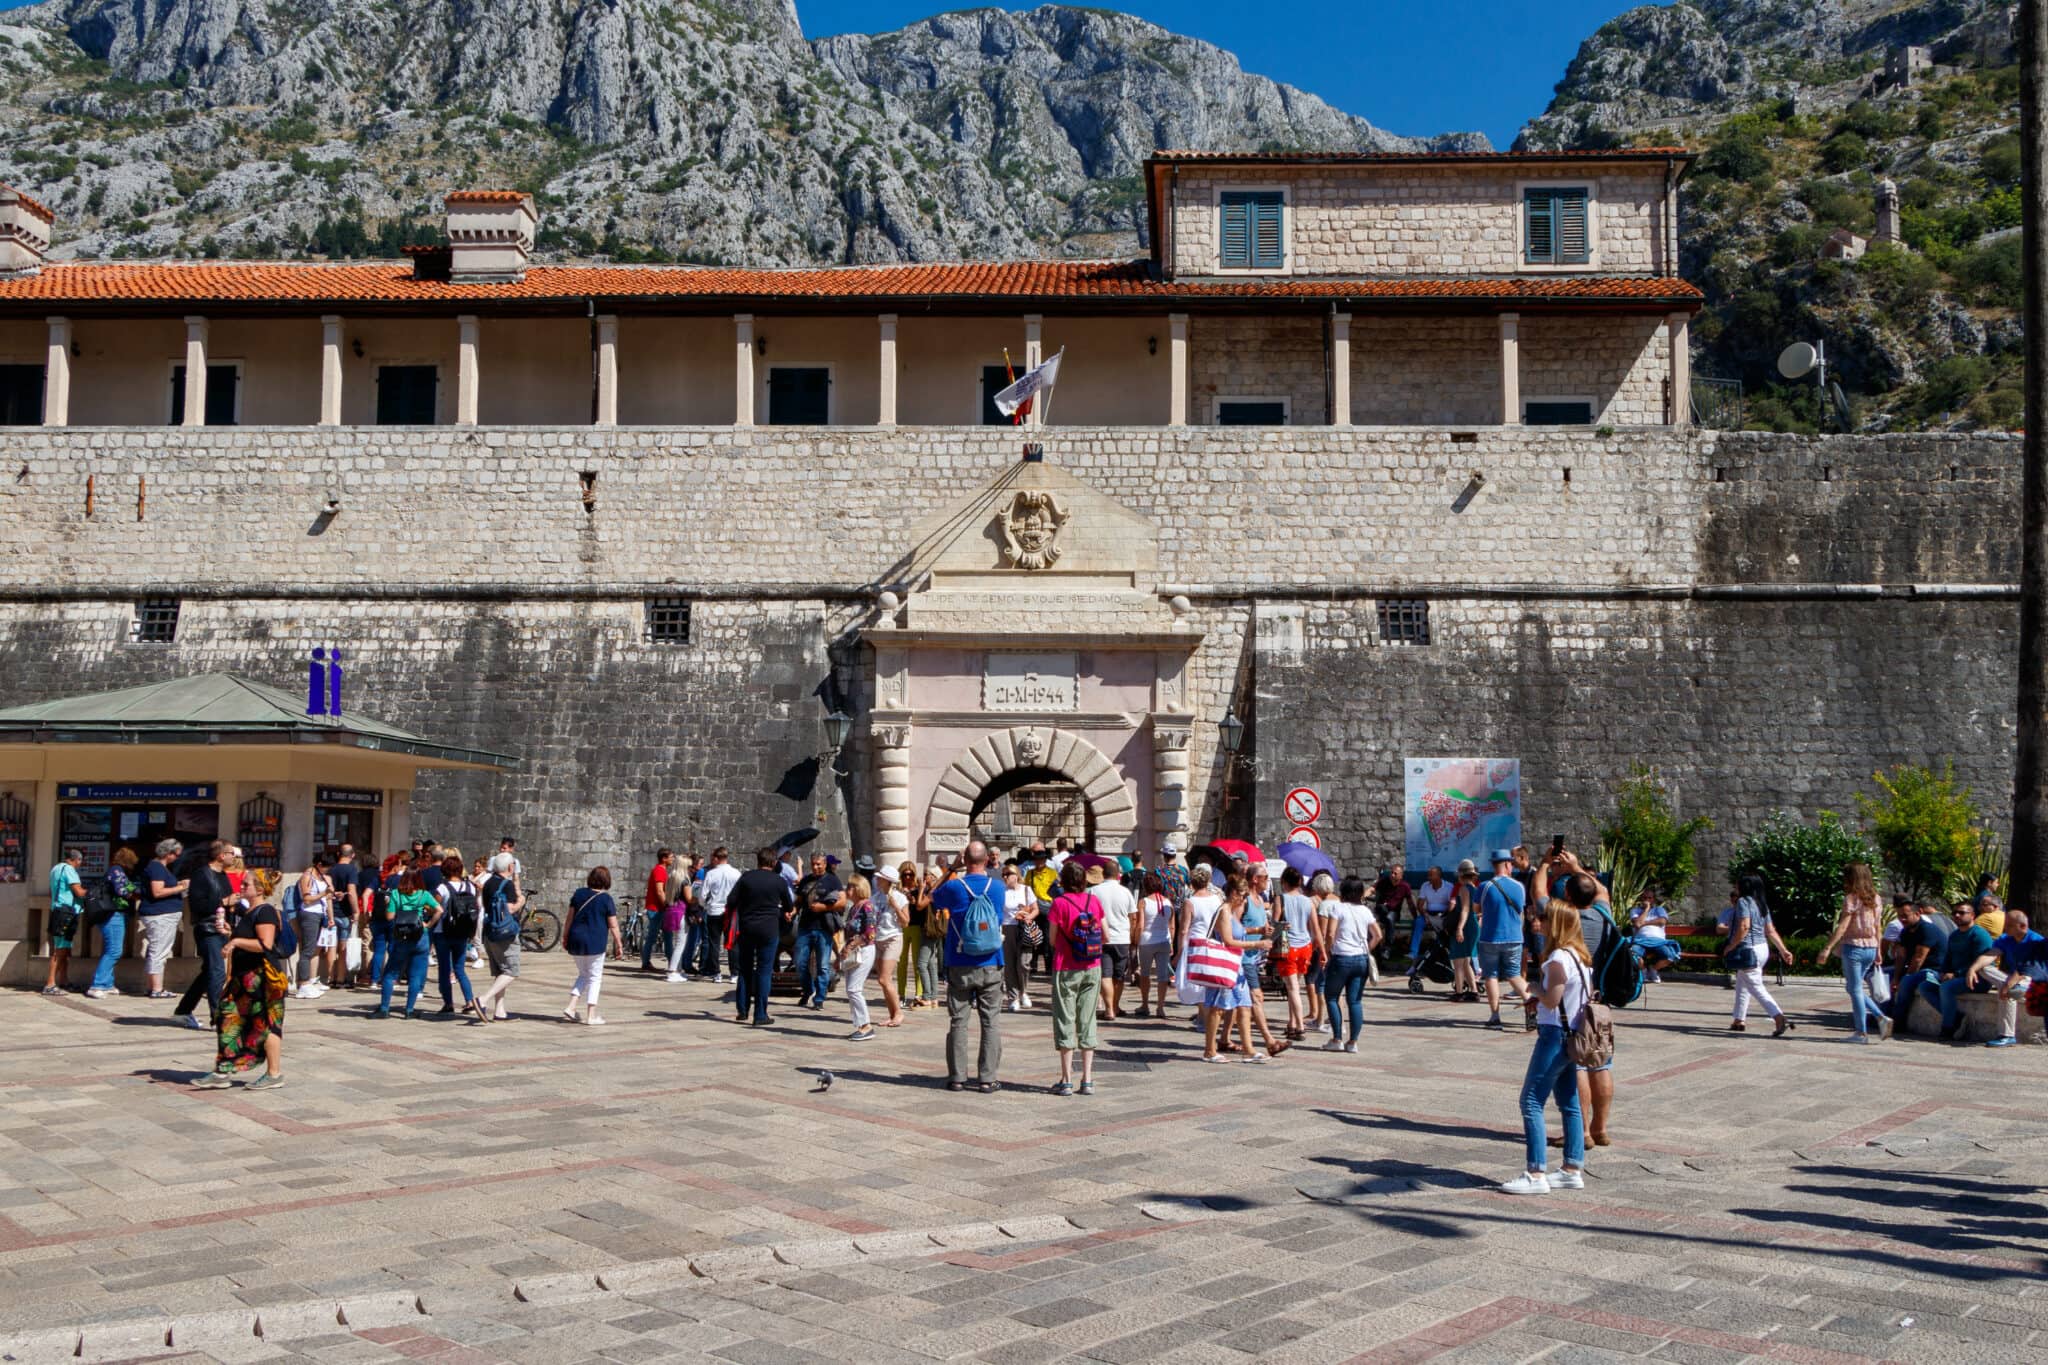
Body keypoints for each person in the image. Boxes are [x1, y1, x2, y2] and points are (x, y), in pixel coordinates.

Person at [1500, 899, 1593, 1196]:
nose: (1538, 922)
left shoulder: (1557, 959)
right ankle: (1571, 1167)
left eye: (1544, 918)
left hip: (1554, 1034)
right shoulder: (1581, 958)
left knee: (1530, 1100)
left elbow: (1552, 999)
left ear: (1558, 924)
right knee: (1569, 1102)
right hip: (1574, 1034)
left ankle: (1535, 1172)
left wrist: (1531, 989)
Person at [190, 868, 291, 1091]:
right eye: (242, 884)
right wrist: (231, 932)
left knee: (269, 1024)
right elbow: (249, 938)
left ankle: (274, 1074)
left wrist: (235, 942)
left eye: (246, 885)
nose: (241, 888)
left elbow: (264, 944)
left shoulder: (264, 911)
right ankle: (222, 1071)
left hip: (263, 978)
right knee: (228, 1018)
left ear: (260, 889)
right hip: (243, 979)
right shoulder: (250, 911)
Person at [937, 840, 1004, 1092]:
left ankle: (957, 1077)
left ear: (965, 860)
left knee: (958, 1021)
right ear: (987, 860)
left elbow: (931, 896)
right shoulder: (997, 887)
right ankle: (987, 1079)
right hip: (991, 962)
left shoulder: (954, 887)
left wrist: (951, 868)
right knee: (991, 1022)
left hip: (959, 961)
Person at [1198, 875, 1271, 1063]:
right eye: (1241, 894)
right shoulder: (1223, 911)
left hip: (1235, 968)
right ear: (1232, 893)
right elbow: (1229, 941)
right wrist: (1258, 944)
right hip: (1224, 967)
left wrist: (1257, 931)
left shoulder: (1231, 911)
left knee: (1245, 1006)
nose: (1243, 899)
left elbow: (1238, 931)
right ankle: (1209, 1050)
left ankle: (1248, 1049)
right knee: (1218, 1008)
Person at [1046, 861, 1104, 1094]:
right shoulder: (1094, 901)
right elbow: (1105, 934)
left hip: (1066, 966)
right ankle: (1088, 1079)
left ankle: (1066, 1078)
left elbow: (1051, 939)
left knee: (1065, 1018)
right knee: (1088, 1019)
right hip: (1092, 965)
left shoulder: (1059, 903)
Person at [1819, 862, 1889, 1042]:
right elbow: (1878, 927)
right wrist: (1879, 950)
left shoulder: (1851, 899)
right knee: (1853, 987)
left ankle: (1862, 1031)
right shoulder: (1876, 898)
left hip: (1854, 947)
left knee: (1855, 988)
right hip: (1871, 947)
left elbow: (1843, 926)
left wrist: (1827, 948)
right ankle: (1880, 1018)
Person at [1719, 873, 1793, 1037]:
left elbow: (1744, 926)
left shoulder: (1743, 902)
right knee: (1742, 983)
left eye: (1738, 885)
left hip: (1748, 949)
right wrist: (1783, 950)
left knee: (1755, 986)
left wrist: (1731, 946)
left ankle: (1778, 1017)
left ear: (1745, 887)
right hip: (1762, 948)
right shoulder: (1761, 904)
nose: (1735, 888)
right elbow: (1770, 930)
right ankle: (1739, 1019)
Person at [1916, 899, 2000, 1041]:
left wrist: (1956, 974)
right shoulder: (1954, 935)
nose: (1957, 916)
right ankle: (1957, 1018)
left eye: (1962, 913)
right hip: (1956, 977)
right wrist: (1943, 972)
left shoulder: (1979, 935)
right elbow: (1948, 958)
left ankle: (1948, 1028)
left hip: (1977, 979)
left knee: (1946, 988)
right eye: (1954, 913)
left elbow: (1981, 963)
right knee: (1925, 986)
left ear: (1972, 915)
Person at [173, 841, 235, 1029]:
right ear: (221, 855)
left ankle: (183, 1011)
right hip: (207, 929)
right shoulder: (201, 874)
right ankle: (218, 1018)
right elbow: (198, 905)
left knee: (208, 972)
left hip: (221, 927)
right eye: (231, 853)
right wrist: (223, 901)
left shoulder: (223, 875)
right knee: (217, 972)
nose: (235, 857)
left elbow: (228, 902)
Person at [728, 849, 793, 1026]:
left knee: (745, 969)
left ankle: (742, 1010)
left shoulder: (746, 878)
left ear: (758, 861)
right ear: (773, 863)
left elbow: (731, 900)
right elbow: (788, 905)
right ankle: (760, 1014)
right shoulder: (778, 881)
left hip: (747, 928)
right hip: (769, 929)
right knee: (764, 971)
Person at [1319, 875, 1381, 1053]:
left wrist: (1328, 952)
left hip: (1341, 957)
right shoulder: (1365, 911)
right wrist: (1367, 949)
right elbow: (1378, 935)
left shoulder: (1337, 908)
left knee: (1331, 997)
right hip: (1360, 958)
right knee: (1355, 1001)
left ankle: (1337, 1038)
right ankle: (1353, 1042)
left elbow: (1330, 934)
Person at [1476, 850, 1530, 1029]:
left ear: (1493, 865)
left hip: (1490, 937)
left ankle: (1495, 1016)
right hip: (1514, 937)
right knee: (1514, 974)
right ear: (1507, 865)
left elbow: (1477, 909)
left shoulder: (1485, 886)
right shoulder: (1519, 886)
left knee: (1491, 975)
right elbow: (1521, 910)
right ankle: (1531, 1006)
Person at [375, 869, 439, 1019]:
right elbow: (439, 910)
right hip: (420, 937)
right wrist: (428, 925)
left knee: (391, 973)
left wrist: (389, 905)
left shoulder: (396, 894)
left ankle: (384, 1008)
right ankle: (409, 1009)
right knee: (416, 975)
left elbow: (390, 917)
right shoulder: (424, 895)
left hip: (401, 937)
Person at [563, 866, 623, 1026]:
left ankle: (571, 1006)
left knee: (584, 974)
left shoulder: (578, 894)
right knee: (595, 977)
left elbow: (569, 918)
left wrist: (565, 936)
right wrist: (619, 943)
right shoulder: (606, 899)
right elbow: (613, 925)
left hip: (576, 940)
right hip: (595, 942)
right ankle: (591, 1015)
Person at [432, 854, 485, 1021]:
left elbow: (435, 908)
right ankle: (469, 1000)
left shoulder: (442, 888)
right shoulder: (469, 886)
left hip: (443, 932)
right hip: (463, 932)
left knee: (445, 969)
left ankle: (448, 1003)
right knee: (460, 968)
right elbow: (476, 905)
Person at [85, 847, 141, 999]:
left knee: (111, 949)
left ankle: (107, 984)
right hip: (112, 913)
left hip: (114, 914)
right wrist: (135, 893)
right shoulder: (116, 871)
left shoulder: (116, 871)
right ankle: (97, 985)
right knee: (114, 951)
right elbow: (121, 890)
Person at [675, 845, 737, 983]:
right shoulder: (736, 873)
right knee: (731, 942)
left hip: (714, 911)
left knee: (714, 942)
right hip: (730, 911)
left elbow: (702, 895)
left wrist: (705, 906)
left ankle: (716, 973)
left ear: (716, 858)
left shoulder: (711, 874)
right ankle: (734, 974)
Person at [792, 853, 845, 1011]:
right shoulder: (807, 880)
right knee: (800, 963)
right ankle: (808, 990)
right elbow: (799, 901)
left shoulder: (833, 880)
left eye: (819, 864)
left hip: (824, 928)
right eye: (813, 864)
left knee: (822, 966)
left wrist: (825, 907)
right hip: (805, 927)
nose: (815, 867)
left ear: (825, 864)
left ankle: (820, 997)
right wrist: (792, 911)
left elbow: (842, 902)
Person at [138, 838, 189, 1000]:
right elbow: (158, 892)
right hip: (160, 915)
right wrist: (181, 887)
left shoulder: (159, 868)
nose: (177, 858)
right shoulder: (157, 868)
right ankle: (156, 989)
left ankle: (151, 986)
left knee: (157, 950)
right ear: (168, 853)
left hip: (162, 914)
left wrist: (177, 886)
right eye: (175, 854)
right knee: (158, 951)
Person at [1986, 909, 2046, 1047]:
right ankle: (2013, 988)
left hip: (2031, 978)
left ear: (2023, 926)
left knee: (2011, 991)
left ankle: (2007, 1035)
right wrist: (1972, 969)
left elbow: (2026, 970)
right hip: (2012, 977)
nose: (2004, 928)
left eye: (2009, 925)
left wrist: (2007, 986)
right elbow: (1990, 955)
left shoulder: (2037, 942)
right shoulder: (2005, 939)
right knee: (1983, 968)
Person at [1087, 861, 1137, 1022]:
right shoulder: (1125, 892)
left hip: (1100, 938)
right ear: (1118, 875)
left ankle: (1109, 1009)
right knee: (1119, 975)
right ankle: (1115, 1006)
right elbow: (1133, 916)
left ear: (1103, 874)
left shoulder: (1093, 891)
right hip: (1122, 938)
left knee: (1105, 974)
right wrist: (1132, 934)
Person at [1889, 900, 1952, 1025]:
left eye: (1905, 916)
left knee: (1907, 981)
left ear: (1918, 914)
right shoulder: (1905, 932)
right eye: (1899, 916)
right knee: (1887, 975)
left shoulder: (1927, 930)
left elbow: (1918, 958)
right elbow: (1901, 956)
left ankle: (1898, 1021)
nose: (1902, 919)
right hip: (1919, 969)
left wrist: (1905, 977)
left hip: (1935, 970)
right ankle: (1884, 1014)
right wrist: (1896, 978)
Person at [474, 867, 524, 1022]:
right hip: (505, 933)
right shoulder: (506, 884)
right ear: (509, 867)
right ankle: (483, 1000)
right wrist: (521, 901)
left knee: (500, 971)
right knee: (511, 971)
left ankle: (500, 1011)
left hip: (490, 931)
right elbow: (510, 908)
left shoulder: (488, 882)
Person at [1272, 868, 1317, 1038]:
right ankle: (1291, 1023)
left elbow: (1275, 924)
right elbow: (1313, 926)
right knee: (1294, 986)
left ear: (1284, 881)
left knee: (1292, 989)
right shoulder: (1308, 901)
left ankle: (1299, 1026)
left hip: (1288, 946)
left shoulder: (1280, 899)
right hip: (1305, 946)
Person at [837, 873, 880, 1041]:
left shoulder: (867, 907)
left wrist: (851, 946)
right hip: (854, 951)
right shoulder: (854, 908)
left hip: (864, 951)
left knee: (854, 989)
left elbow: (870, 933)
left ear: (857, 888)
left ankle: (866, 1026)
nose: (847, 890)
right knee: (851, 989)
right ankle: (860, 1025)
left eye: (849, 887)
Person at [291, 853, 334, 1000]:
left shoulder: (322, 877)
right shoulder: (307, 877)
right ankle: (303, 983)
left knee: (312, 948)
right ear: (319, 864)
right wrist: (323, 893)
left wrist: (330, 916)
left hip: (319, 914)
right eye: (326, 866)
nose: (327, 870)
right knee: (307, 950)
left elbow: (327, 898)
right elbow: (307, 899)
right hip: (309, 915)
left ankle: (307, 982)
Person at [869, 863, 906, 1027]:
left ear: (887, 880)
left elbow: (905, 922)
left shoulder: (900, 897)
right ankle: (892, 1014)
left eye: (880, 878)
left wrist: (895, 907)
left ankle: (898, 1013)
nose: (877, 880)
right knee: (882, 980)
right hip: (878, 939)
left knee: (884, 979)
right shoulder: (875, 897)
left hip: (893, 938)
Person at [43, 848, 85, 996]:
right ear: (76, 859)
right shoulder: (69, 869)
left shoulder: (56, 868)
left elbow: (52, 891)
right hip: (65, 912)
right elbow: (78, 891)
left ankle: (64, 980)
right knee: (59, 949)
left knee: (65, 949)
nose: (80, 864)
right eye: (80, 861)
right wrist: (91, 892)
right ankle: (50, 984)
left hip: (60, 910)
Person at [1134, 871, 1175, 1019]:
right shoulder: (1168, 902)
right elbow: (1172, 926)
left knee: (1145, 974)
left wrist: (1136, 940)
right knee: (1163, 975)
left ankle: (1145, 1004)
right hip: (1164, 940)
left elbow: (1140, 925)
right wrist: (1171, 943)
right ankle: (1160, 1007)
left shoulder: (1143, 902)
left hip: (1147, 941)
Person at [1000, 861, 1037, 1011]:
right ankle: (1013, 997)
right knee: (1009, 964)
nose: (1006, 877)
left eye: (1009, 874)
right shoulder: (1002, 892)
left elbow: (1035, 909)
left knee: (1023, 964)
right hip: (1007, 928)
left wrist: (1029, 917)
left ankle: (1023, 991)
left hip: (1024, 929)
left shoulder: (1026, 890)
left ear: (1016, 875)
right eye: (1004, 874)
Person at [1407, 866, 1454, 981]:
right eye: (1428, 875)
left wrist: (1444, 915)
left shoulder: (1448, 887)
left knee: (1442, 936)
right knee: (1418, 921)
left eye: (1431, 875)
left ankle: (1434, 961)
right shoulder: (1425, 886)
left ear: (1438, 876)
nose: (1428, 877)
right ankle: (1413, 952)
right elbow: (1420, 904)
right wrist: (1425, 915)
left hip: (1443, 916)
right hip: (1429, 914)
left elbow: (1451, 906)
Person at [325, 845, 359, 992]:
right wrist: (356, 910)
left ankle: (330, 978)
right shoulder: (351, 870)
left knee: (331, 946)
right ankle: (340, 978)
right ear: (352, 855)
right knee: (343, 947)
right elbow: (351, 892)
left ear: (339, 854)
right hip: (345, 913)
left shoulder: (331, 869)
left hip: (332, 911)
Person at [1629, 888, 1683, 982]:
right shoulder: (1635, 911)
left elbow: (1662, 921)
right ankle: (1643, 971)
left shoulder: (1659, 909)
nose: (1647, 900)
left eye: (1649, 898)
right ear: (1641, 899)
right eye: (1645, 898)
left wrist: (1644, 923)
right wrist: (1646, 909)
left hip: (1658, 941)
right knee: (1633, 954)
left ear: (1653, 899)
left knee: (1670, 956)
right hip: (1640, 940)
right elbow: (1637, 924)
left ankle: (1653, 970)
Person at [1446, 860, 1481, 1003]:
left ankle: (1459, 991)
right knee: (1466, 960)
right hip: (1473, 924)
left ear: (1461, 875)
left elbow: (1465, 909)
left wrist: (1459, 928)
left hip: (1465, 925)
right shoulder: (1475, 888)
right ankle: (1473, 991)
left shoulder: (1463, 889)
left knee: (1458, 960)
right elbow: (1478, 910)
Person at [642, 846, 675, 973]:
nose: (672, 859)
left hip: (659, 908)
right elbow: (659, 891)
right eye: (671, 857)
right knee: (653, 936)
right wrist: (667, 905)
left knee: (667, 935)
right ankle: (646, 962)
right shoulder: (660, 871)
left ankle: (671, 961)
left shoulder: (661, 870)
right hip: (657, 909)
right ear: (664, 858)